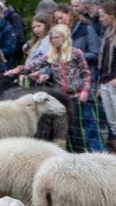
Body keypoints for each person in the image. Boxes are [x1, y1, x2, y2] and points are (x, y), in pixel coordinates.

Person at [7, 24, 103, 152]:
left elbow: (86, 73)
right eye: (52, 38)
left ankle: (81, 152)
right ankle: (66, 152)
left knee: (76, 127)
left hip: (76, 96)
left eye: (56, 37)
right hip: (60, 96)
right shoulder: (51, 54)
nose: (53, 40)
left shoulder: (76, 53)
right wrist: (18, 69)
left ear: (64, 37)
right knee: (63, 127)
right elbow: (34, 65)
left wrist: (85, 91)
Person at [55, 3, 101, 68]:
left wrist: (74, 56)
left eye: (61, 17)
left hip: (85, 75)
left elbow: (96, 54)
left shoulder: (87, 29)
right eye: (57, 20)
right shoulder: (61, 34)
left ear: (69, 13)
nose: (59, 22)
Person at [97, 0, 116, 147]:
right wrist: (99, 84)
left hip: (114, 83)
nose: (100, 19)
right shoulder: (107, 33)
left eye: (103, 15)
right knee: (113, 125)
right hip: (105, 83)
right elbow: (102, 62)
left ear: (113, 15)